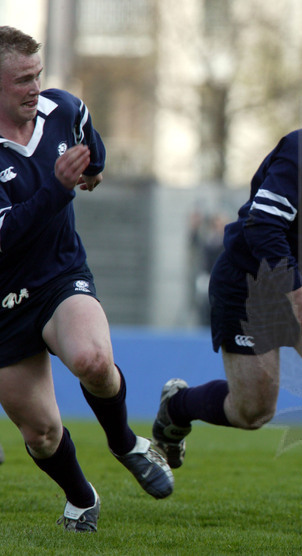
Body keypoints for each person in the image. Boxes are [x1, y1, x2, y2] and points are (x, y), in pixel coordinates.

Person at [151, 65, 302, 535]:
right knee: (253, 413)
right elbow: (263, 227)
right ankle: (177, 408)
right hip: (252, 281)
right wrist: (299, 295)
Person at [0, 27, 173, 533]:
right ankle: (81, 498)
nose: (34, 88)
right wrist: (57, 187)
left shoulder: (64, 109)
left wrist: (90, 170)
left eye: (37, 76)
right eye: (20, 81)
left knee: (93, 361)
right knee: (43, 434)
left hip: (60, 275)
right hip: (5, 303)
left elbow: (92, 156)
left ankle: (125, 443)